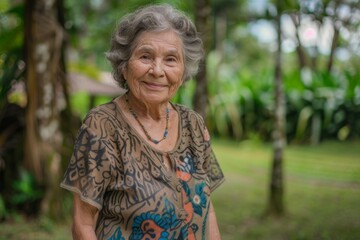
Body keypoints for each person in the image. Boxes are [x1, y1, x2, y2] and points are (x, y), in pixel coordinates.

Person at [60, 4, 225, 240]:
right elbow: (83, 225)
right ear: (124, 65)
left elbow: (207, 212)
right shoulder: (102, 126)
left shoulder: (193, 124)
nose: (157, 70)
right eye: (145, 56)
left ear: (183, 70)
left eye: (170, 59)